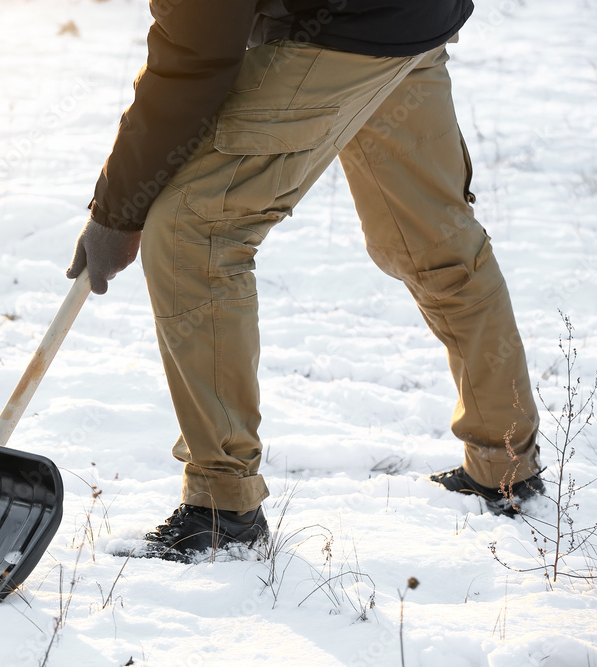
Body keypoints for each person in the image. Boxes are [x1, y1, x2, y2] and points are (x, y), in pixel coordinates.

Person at [66, 0, 544, 562]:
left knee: (195, 229)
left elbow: (196, 54)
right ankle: (504, 463)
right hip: (409, 17)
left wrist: (118, 211)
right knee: (436, 245)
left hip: (350, 28)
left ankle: (224, 509)